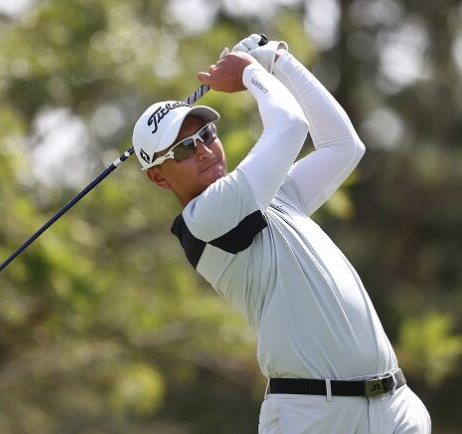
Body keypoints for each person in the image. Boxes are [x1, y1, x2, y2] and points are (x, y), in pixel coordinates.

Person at [132, 34, 431, 434]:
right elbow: (290, 125)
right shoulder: (205, 218)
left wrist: (278, 60)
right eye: (184, 149)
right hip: (313, 414)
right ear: (158, 177)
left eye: (206, 135)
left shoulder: (274, 197)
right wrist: (251, 72)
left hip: (394, 405)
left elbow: (343, 146)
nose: (203, 149)